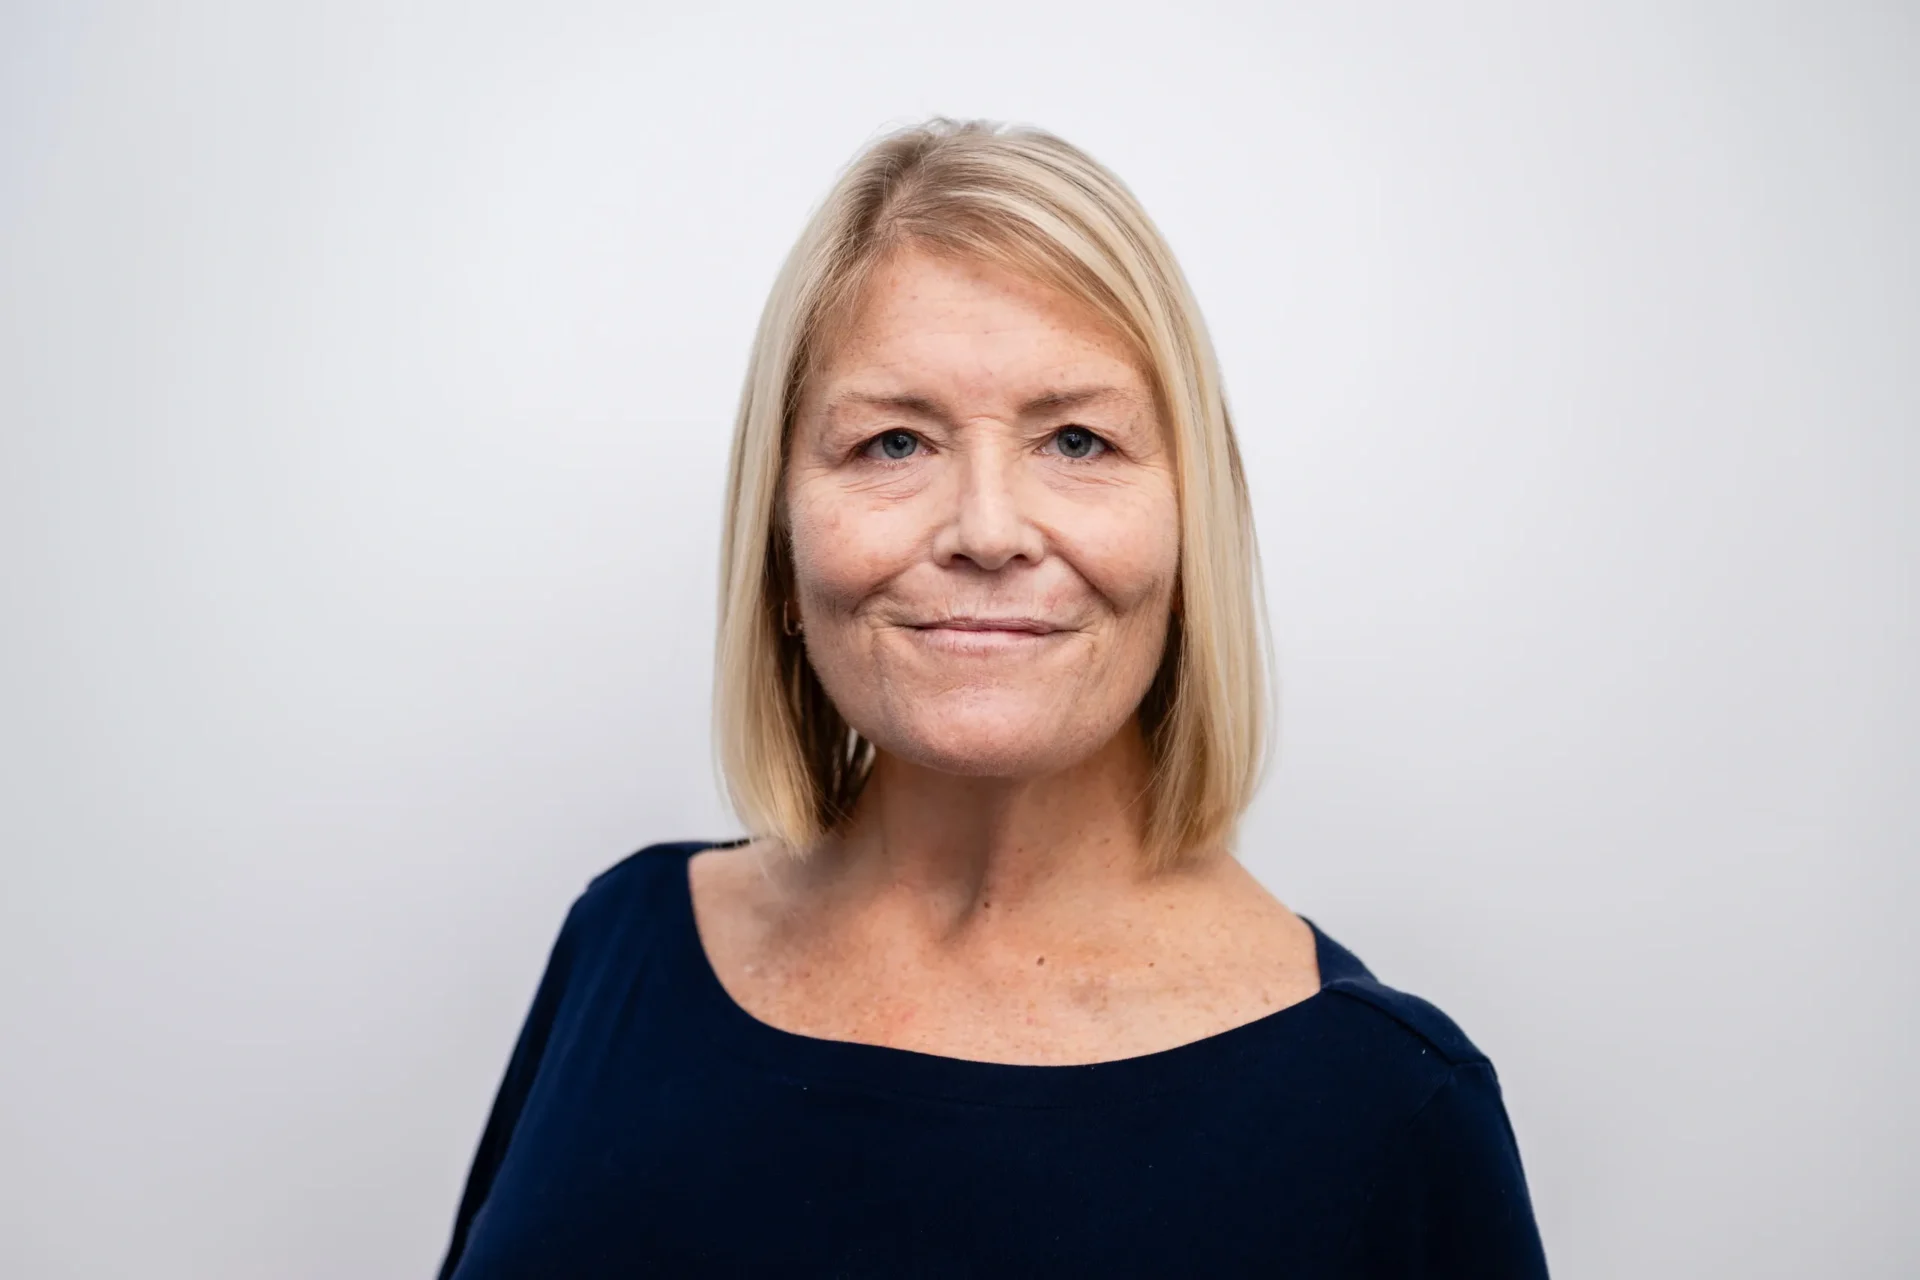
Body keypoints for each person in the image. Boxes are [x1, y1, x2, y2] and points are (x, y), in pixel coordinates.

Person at [435, 118, 1549, 1278]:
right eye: (893, 441)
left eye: (1076, 438)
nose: (986, 530)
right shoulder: (624, 942)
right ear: (780, 542)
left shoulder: (1386, 1106)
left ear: (1191, 532)